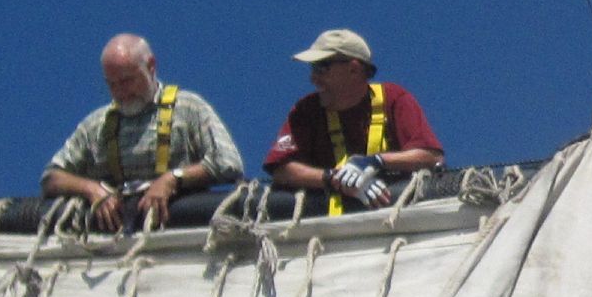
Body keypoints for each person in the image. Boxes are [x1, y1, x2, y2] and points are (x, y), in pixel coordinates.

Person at [42, 33, 242, 230]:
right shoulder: (96, 126)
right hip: (116, 241)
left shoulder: (188, 109)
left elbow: (228, 162)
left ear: (151, 66)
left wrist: (173, 179)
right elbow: (52, 178)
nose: (121, 92)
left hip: (180, 233)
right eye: (112, 84)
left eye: (127, 80)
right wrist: (92, 190)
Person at [265, 28, 445, 210]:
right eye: (313, 69)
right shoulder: (306, 111)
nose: (313, 78)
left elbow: (431, 156)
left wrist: (376, 161)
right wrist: (333, 179)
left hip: (395, 219)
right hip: (327, 229)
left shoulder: (394, 99)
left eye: (321, 68)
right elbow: (282, 170)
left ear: (353, 69)